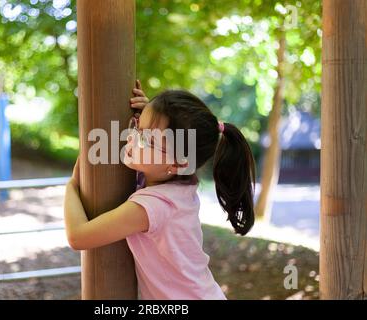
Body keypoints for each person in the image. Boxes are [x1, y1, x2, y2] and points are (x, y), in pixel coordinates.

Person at [64, 79, 256, 299]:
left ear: (178, 163)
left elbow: (78, 237)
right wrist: (152, 117)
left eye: (146, 140)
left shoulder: (152, 206)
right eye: (137, 126)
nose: (132, 138)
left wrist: (71, 186)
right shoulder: (179, 182)